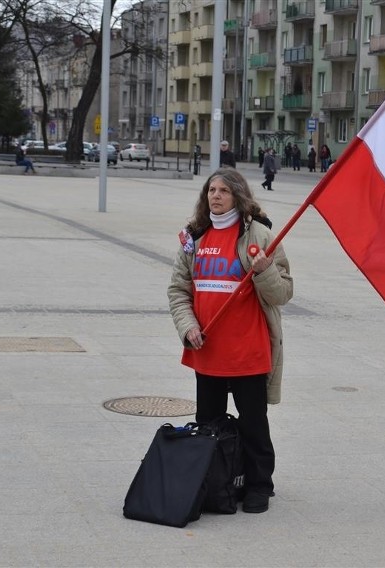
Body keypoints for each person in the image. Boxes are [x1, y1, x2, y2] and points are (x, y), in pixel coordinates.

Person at [167, 167, 293, 514]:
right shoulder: (194, 237)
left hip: (247, 352)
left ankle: (258, 486)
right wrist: (187, 326)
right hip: (206, 351)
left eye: (223, 190)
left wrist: (264, 268)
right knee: (208, 425)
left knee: (254, 424)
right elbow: (179, 290)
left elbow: (283, 293)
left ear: (238, 195)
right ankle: (213, 480)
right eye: (211, 190)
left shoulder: (261, 237)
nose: (216, 196)